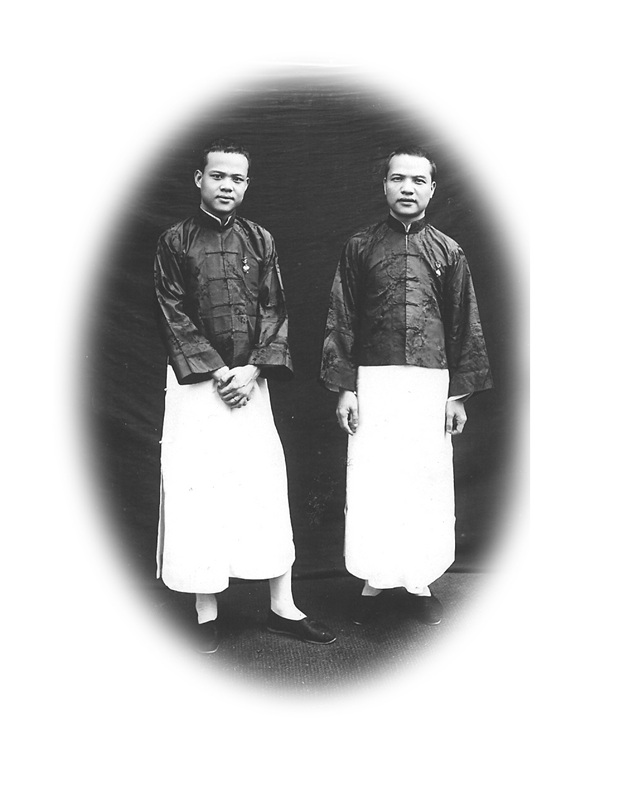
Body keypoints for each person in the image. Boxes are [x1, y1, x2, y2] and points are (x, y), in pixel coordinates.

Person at [154, 139, 335, 652]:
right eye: (218, 176)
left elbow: (274, 309)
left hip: (250, 384)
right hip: (197, 385)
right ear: (199, 179)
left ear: (247, 185)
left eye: (237, 179)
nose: (227, 186)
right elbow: (171, 310)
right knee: (199, 487)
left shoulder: (260, 239)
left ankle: (283, 605)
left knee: (263, 485)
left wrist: (253, 369)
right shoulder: (174, 241)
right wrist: (217, 372)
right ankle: (205, 609)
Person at [321, 145, 492, 626]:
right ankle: (375, 579)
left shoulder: (448, 251)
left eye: (418, 181)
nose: (407, 188)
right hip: (373, 381)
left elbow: (465, 323)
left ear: (432, 189)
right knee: (375, 479)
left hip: (430, 383)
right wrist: (345, 387)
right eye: (398, 179)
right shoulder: (360, 246)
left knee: (424, 480)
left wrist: (457, 395)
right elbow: (341, 317)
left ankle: (419, 581)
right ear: (385, 186)